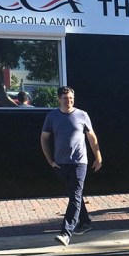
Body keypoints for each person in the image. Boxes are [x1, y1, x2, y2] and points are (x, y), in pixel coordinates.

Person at [40, 86, 102, 246]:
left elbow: (92, 137)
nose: (69, 101)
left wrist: (98, 157)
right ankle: (85, 221)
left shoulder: (82, 115)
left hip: (79, 162)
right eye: (65, 98)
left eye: (71, 98)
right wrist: (50, 161)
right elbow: (44, 138)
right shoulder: (52, 117)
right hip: (60, 163)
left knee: (74, 195)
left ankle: (66, 233)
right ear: (59, 99)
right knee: (75, 195)